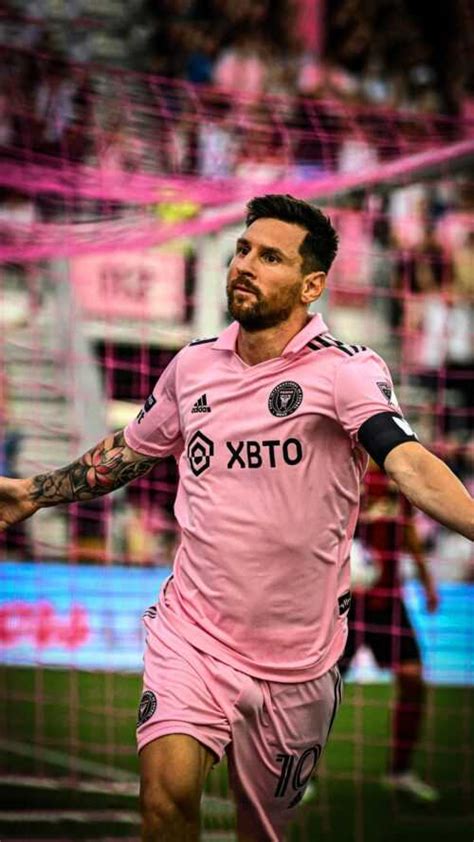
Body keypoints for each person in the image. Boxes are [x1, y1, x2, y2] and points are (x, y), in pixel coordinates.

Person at [0, 194, 472, 842]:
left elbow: (409, 463)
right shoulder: (192, 366)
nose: (245, 264)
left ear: (311, 285)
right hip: (192, 635)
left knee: (262, 832)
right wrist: (34, 493)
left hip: (299, 665)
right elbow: (128, 453)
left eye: (270, 257)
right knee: (165, 803)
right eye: (243, 249)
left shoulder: (347, 371)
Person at [304, 460, 440, 805]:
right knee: (321, 689)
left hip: (389, 601)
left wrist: (426, 580)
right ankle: (302, 775)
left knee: (413, 679)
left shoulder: (398, 475)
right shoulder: (340, 470)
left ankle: (399, 772)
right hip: (345, 601)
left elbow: (407, 530)